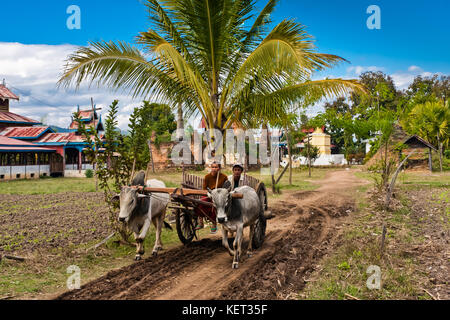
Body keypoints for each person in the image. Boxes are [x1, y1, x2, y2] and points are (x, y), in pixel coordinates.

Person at [195, 161, 228, 234]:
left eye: (216, 167)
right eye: (212, 167)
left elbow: (225, 189)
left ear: (219, 168)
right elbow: (205, 189)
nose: (214, 169)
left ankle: (214, 224)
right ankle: (200, 222)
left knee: (214, 205)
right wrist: (208, 193)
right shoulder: (207, 177)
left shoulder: (224, 177)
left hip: (219, 196)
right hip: (209, 194)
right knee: (200, 202)